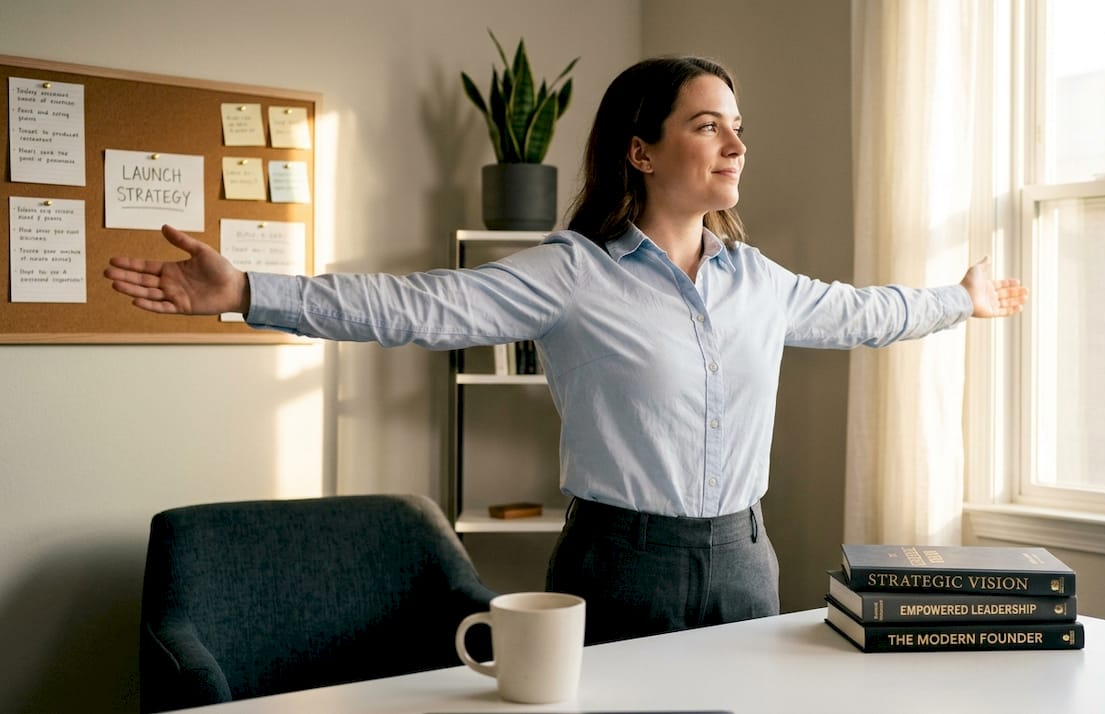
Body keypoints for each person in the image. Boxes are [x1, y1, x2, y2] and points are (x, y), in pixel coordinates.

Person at [105, 56, 1028, 645]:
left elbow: (868, 313)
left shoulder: (761, 282)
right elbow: (419, 306)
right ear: (641, 149)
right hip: (622, 565)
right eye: (709, 124)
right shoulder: (573, 274)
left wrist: (961, 299)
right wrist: (249, 294)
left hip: (749, 558)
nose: (737, 143)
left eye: (738, 124)